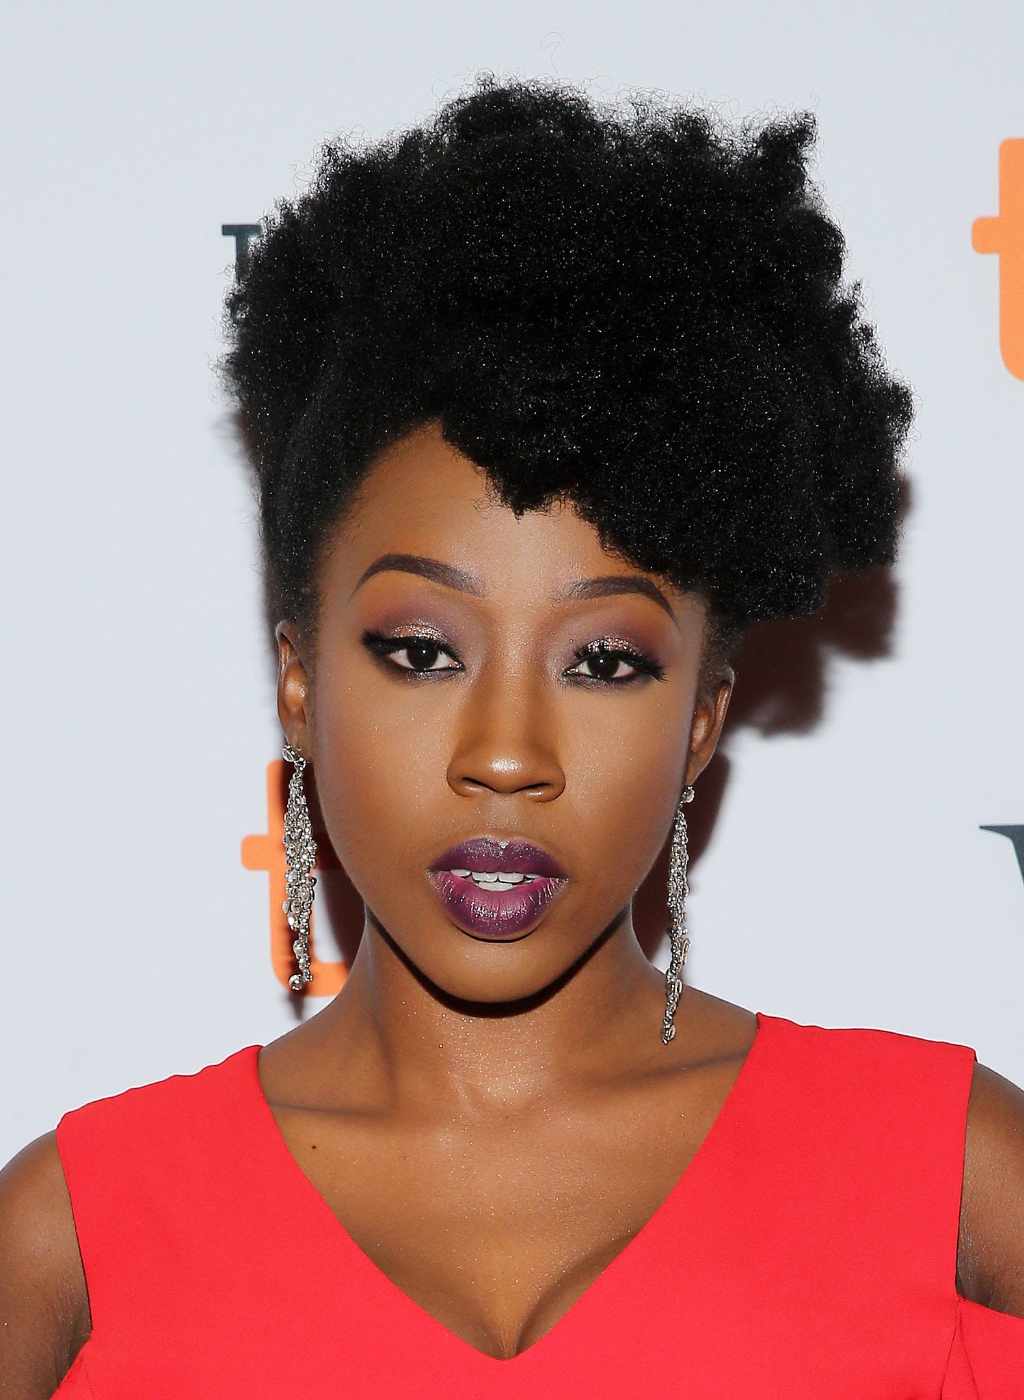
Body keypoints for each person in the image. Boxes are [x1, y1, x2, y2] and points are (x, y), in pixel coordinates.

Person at [2, 74, 1023, 1398]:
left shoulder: (954, 1190)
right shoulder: (70, 1250)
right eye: (422, 649)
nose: (505, 753)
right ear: (299, 683)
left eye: (605, 661)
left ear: (702, 721)